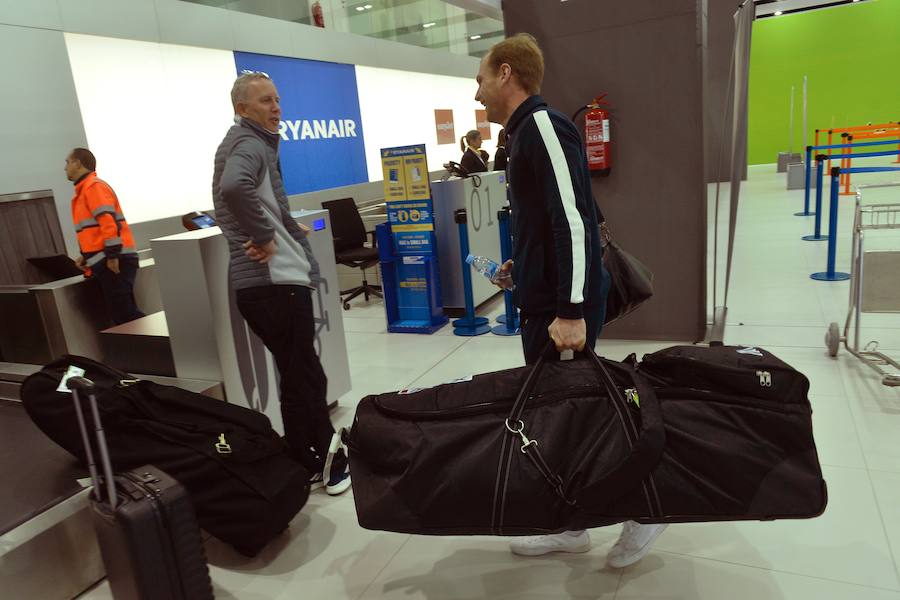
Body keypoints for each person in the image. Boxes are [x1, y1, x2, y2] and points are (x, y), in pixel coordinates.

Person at [474, 32, 667, 568]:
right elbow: (550, 221)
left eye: (482, 80)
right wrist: (524, 262)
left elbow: (576, 221)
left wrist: (570, 310)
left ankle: (646, 510)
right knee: (562, 415)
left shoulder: (542, 127)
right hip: (546, 303)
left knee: (585, 414)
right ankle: (571, 522)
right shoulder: (524, 134)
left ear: (507, 73)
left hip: (563, 312)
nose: (478, 94)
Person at [212, 72, 350, 496]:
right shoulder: (249, 144)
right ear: (242, 109)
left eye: (277, 99)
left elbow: (246, 199)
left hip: (265, 287)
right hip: (276, 285)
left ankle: (301, 457)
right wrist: (267, 238)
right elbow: (233, 189)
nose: (276, 108)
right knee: (306, 375)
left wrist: (286, 228)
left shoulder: (243, 144)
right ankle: (328, 453)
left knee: (295, 373)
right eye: (265, 101)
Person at [65, 148, 145, 325]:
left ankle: (167, 347)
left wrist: (112, 256)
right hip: (109, 259)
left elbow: (108, 224)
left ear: (78, 163)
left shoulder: (94, 187)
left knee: (125, 315)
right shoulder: (85, 190)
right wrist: (86, 256)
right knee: (123, 314)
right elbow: (94, 231)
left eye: (68, 162)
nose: (65, 168)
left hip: (116, 260)